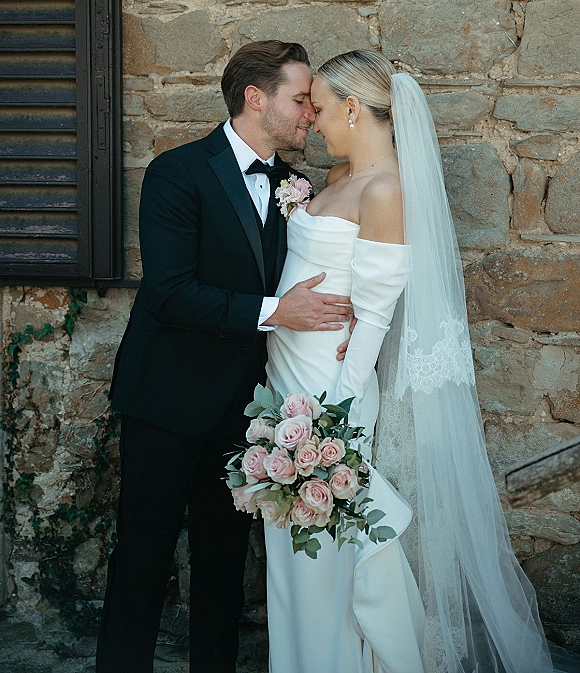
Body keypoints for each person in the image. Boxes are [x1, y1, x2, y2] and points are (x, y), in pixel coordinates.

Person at [263, 50, 556, 673]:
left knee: (331, 554)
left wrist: (334, 419)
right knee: (292, 549)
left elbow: (373, 313)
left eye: (318, 107)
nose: (312, 121)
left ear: (351, 107)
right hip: (287, 382)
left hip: (327, 396)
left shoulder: (386, 188)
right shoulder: (333, 183)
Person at [95, 40, 353, 673]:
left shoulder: (300, 187)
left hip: (248, 410)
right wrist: (275, 312)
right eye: (299, 101)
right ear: (254, 98)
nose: (310, 116)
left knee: (224, 561)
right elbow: (171, 292)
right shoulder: (176, 173)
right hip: (167, 398)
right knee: (144, 556)